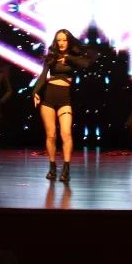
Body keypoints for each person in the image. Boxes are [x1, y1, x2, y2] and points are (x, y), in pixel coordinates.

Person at [32, 29, 96, 182]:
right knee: (51, 135)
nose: (61, 43)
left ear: (68, 41)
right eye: (58, 40)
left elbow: (89, 61)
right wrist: (35, 92)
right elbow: (43, 75)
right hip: (48, 97)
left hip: (65, 99)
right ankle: (52, 167)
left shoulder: (74, 57)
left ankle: (66, 169)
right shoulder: (52, 57)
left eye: (64, 40)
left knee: (66, 134)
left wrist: (68, 57)